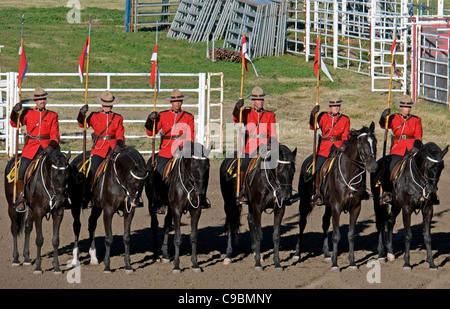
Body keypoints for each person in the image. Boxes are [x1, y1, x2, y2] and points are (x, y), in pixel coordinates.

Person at [145, 88, 201, 214]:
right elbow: (150, 132)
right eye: (175, 101)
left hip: (183, 151)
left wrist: (185, 148)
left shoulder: (188, 117)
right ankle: (159, 202)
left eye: (179, 101)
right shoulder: (162, 115)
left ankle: (197, 199)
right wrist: (150, 120)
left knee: (199, 171)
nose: (177, 104)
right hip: (166, 151)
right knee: (158, 172)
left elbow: (191, 136)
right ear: (171, 102)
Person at [378, 94, 438, 204]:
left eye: (409, 107)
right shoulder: (394, 118)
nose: (407, 109)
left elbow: (419, 136)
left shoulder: (416, 120)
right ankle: (388, 192)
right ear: (400, 107)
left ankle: (430, 193)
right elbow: (384, 125)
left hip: (413, 149)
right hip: (397, 150)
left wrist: (415, 147)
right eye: (405, 106)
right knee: (390, 166)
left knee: (427, 168)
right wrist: (383, 116)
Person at [10, 86, 61, 212]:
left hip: (47, 147)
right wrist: (14, 112)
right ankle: (21, 199)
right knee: (22, 170)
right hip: (31, 147)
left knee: (62, 168)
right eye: (39, 99)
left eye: (43, 99)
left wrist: (51, 146)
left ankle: (62, 196)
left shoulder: (52, 115)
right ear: (35, 101)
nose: (42, 101)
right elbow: (14, 123)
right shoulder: (27, 113)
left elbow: (55, 134)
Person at [232, 86, 278, 204]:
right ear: (253, 101)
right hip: (250, 147)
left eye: (262, 99)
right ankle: (242, 191)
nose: (261, 101)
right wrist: (237, 107)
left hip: (265, 147)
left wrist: (270, 144)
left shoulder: (270, 115)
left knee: (280, 166)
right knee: (243, 166)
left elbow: (273, 133)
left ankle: (281, 191)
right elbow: (236, 117)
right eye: (258, 99)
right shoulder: (246, 113)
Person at [77, 90, 126, 188]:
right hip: (99, 149)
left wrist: (118, 145)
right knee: (93, 171)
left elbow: (120, 135)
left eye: (110, 104)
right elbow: (83, 125)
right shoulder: (94, 116)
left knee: (124, 170)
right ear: (102, 104)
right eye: (105, 104)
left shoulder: (118, 118)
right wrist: (81, 114)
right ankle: (90, 193)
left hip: (114, 149)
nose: (108, 106)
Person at [309, 93, 350, 206]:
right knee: (317, 168)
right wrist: (313, 114)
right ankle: (317, 192)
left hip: (338, 147)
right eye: (334, 105)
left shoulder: (345, 119)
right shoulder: (322, 116)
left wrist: (345, 144)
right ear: (330, 106)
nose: (336, 107)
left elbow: (346, 135)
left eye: (338, 105)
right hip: (325, 148)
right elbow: (313, 126)